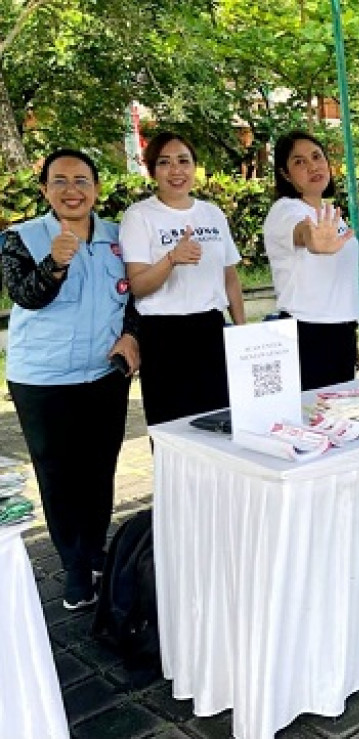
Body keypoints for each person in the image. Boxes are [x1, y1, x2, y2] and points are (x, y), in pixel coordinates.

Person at [2, 149, 140, 610]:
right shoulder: (21, 238)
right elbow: (26, 295)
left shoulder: (120, 237)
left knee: (99, 468)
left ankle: (95, 549)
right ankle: (74, 567)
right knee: (58, 474)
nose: (71, 190)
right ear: (44, 190)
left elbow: (137, 296)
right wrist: (54, 264)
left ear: (97, 188)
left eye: (81, 180)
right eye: (59, 181)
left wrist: (132, 335)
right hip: (42, 379)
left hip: (104, 373)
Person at [120, 131, 246, 426]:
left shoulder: (212, 214)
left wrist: (242, 330)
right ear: (152, 170)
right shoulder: (139, 216)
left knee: (219, 423)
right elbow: (138, 286)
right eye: (164, 162)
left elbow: (229, 277)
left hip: (211, 329)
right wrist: (171, 259)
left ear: (194, 166)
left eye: (183, 161)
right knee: (172, 428)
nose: (176, 170)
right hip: (164, 336)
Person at [264, 131, 359, 390]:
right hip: (307, 334)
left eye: (317, 157)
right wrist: (313, 240)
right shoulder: (285, 210)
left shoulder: (329, 214)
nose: (312, 166)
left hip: (341, 331)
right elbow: (302, 232)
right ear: (285, 174)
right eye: (299, 162)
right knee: (311, 412)